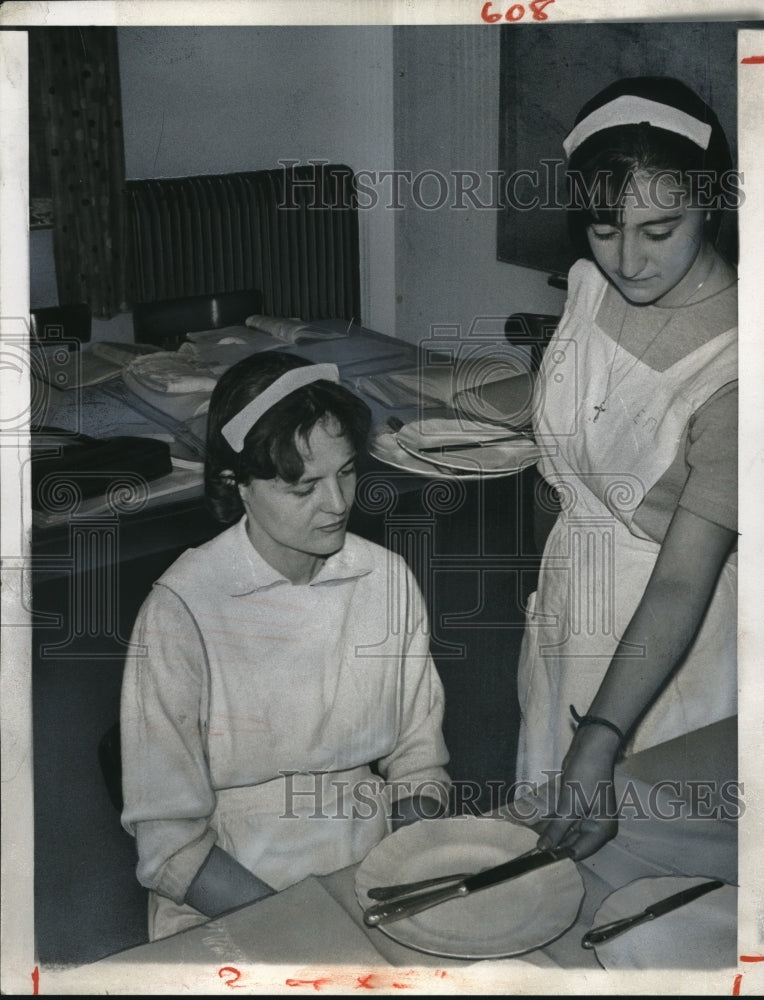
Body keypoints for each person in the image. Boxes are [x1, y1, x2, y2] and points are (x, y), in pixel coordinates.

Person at [459, 76, 738, 860]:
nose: (630, 261)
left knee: (646, 869)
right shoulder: (587, 286)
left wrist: (607, 731)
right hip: (570, 613)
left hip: (666, 653)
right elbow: (580, 424)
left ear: (711, 203)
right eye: (606, 227)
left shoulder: (737, 370)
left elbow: (685, 580)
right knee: (548, 851)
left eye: (660, 229)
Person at [120, 350, 451, 941]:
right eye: (303, 487)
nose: (338, 503)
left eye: (347, 471)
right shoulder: (181, 613)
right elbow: (170, 848)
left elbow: (417, 765)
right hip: (229, 892)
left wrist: (406, 870)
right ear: (236, 484)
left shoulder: (386, 579)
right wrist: (310, 928)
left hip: (368, 870)